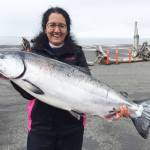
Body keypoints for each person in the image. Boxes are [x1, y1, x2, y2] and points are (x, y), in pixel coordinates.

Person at [11, 7, 90, 150]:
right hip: (40, 128)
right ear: (44, 27)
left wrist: (111, 109)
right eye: (52, 25)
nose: (57, 30)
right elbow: (28, 94)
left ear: (67, 29)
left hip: (72, 127)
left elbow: (88, 88)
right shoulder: (33, 54)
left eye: (61, 25)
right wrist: (13, 77)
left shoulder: (77, 53)